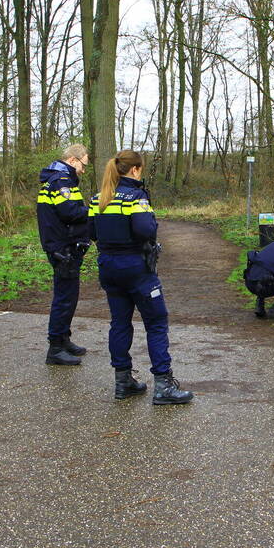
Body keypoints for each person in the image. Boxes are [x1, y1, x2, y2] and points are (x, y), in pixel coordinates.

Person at [88, 150, 193, 405]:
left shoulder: (98, 198)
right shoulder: (136, 197)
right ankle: (163, 386)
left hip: (109, 267)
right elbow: (145, 229)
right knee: (156, 322)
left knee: (120, 323)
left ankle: (123, 381)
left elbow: (91, 232)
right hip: (136, 268)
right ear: (135, 170)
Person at [37, 144, 91, 365]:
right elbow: (69, 212)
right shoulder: (61, 181)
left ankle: (63, 339)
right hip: (63, 248)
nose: (83, 170)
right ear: (72, 160)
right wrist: (95, 210)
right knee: (64, 298)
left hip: (64, 245)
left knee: (69, 296)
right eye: (82, 165)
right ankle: (55, 348)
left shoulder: (59, 179)